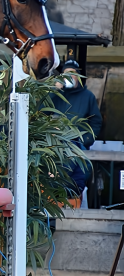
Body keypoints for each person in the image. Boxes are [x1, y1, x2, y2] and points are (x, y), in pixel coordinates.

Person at [48, 60, 103, 199]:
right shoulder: (55, 94)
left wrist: (85, 140)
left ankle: (71, 196)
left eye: (73, 74)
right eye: (66, 74)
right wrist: (54, 90)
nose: (69, 77)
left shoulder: (88, 96)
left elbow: (96, 121)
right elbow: (39, 112)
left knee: (81, 172)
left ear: (78, 76)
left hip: (77, 144)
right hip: (54, 144)